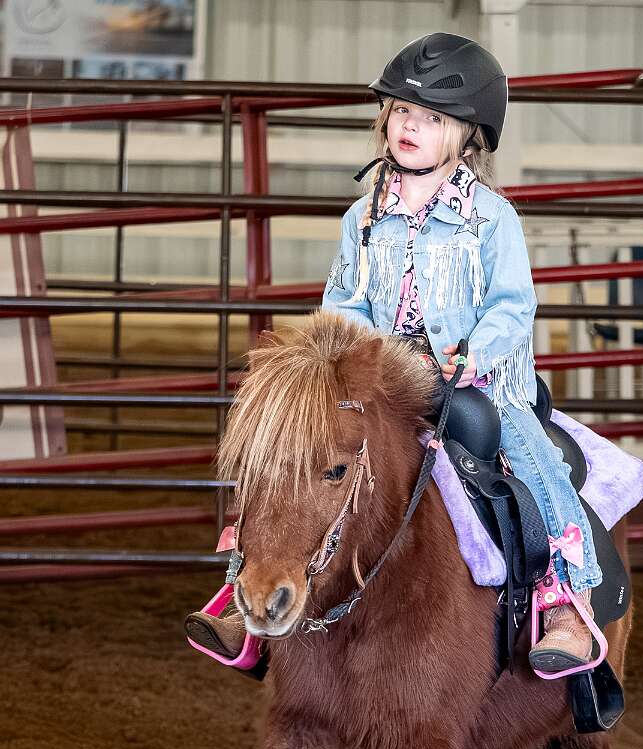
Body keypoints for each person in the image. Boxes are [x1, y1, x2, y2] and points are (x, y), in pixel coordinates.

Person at [185, 32, 602, 674]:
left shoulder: (492, 219)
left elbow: (514, 307)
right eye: (403, 111)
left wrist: (471, 354)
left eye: (432, 118)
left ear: (468, 138)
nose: (411, 126)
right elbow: (343, 301)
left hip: (477, 380)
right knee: (295, 451)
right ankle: (247, 588)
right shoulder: (363, 217)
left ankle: (567, 598)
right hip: (384, 381)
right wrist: (357, 355)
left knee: (531, 455)